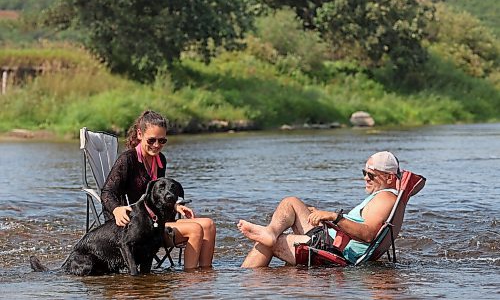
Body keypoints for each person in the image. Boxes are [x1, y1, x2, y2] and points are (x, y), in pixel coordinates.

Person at [237, 151, 401, 268]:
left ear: (389, 177)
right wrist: (324, 216)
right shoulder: (383, 196)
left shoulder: (385, 199)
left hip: (335, 249)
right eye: (364, 172)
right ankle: (270, 232)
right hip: (332, 238)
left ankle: (245, 283)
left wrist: (334, 217)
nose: (366, 177)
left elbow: (367, 234)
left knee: (272, 243)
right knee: (291, 202)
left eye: (371, 175)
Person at [101, 110, 216, 270]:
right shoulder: (127, 160)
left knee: (209, 225)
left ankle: (205, 276)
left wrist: (175, 205)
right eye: (152, 140)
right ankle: (191, 280)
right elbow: (107, 192)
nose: (157, 145)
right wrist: (116, 209)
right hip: (137, 226)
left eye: (162, 141)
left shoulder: (160, 160)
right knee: (195, 229)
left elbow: (157, 196)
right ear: (140, 134)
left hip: (156, 220)